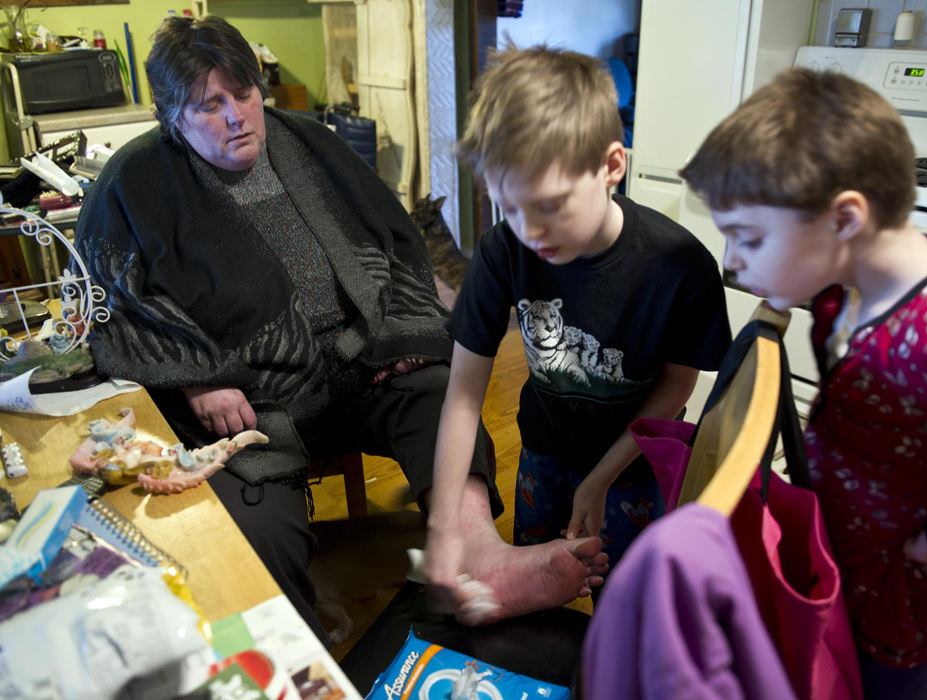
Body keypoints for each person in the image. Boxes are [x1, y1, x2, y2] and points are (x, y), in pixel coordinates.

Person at [73, 16, 598, 643]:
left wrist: (401, 334)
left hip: (361, 363)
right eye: (211, 105)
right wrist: (197, 384)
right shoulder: (133, 184)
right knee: (257, 530)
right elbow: (118, 307)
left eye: (244, 94)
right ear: (172, 116)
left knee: (437, 395)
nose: (237, 114)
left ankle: (477, 559)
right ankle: (291, 650)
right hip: (252, 403)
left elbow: (393, 243)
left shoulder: (309, 143)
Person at [680, 67, 927, 700]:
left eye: (749, 238)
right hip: (838, 573)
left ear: (844, 219)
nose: (731, 261)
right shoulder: (839, 294)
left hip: (909, 620)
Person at [424, 46, 732, 623]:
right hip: (543, 450)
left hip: (635, 465)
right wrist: (445, 526)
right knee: (536, 599)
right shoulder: (502, 250)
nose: (530, 231)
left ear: (612, 165)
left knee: (627, 609)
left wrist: (600, 477)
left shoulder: (677, 265)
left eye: (551, 206)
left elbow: (676, 388)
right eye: (509, 207)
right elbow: (463, 395)